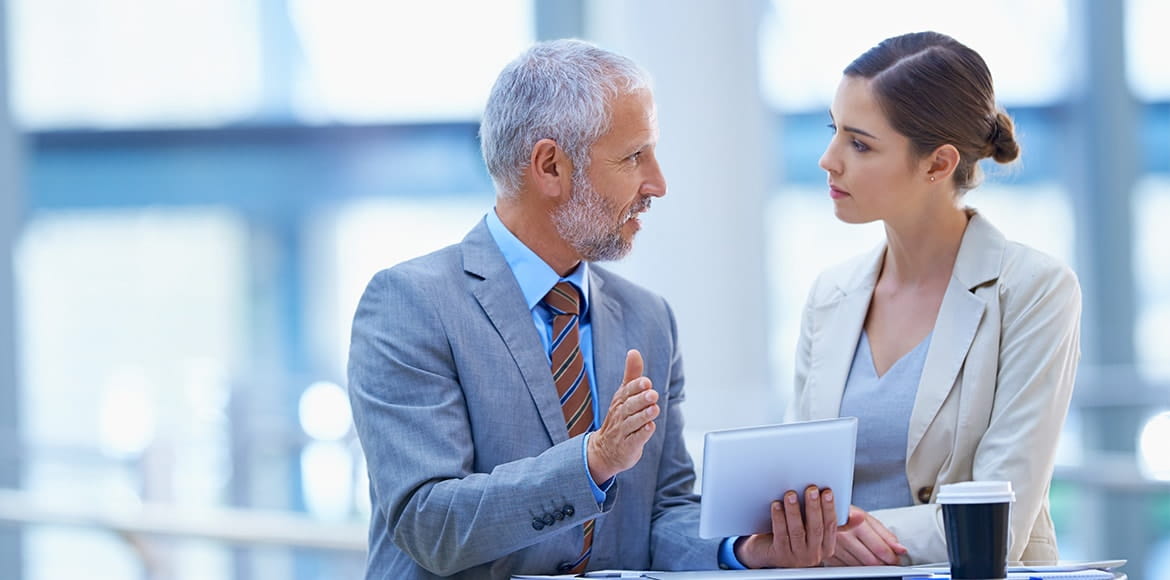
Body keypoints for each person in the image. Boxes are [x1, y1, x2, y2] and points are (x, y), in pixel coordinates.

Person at [348, 39, 836, 579]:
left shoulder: (648, 318)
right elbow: (430, 524)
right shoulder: (411, 304)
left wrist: (743, 552)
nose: (659, 184)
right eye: (634, 157)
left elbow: (662, 512)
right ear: (551, 166)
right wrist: (594, 460)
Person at [788, 31, 1082, 567]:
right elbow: (794, 496)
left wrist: (835, 536)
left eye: (859, 144)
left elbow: (996, 521)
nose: (828, 160)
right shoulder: (830, 295)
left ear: (938, 164)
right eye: (834, 132)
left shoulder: (1034, 290)